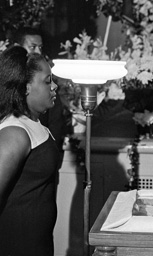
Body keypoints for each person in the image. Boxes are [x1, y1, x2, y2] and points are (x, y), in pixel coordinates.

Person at [0, 46, 60, 255]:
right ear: (25, 87)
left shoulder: (34, 123)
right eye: (47, 81)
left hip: (37, 243)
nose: (54, 87)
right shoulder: (15, 132)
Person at [12, 26, 67, 153]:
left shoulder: (46, 78)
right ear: (17, 47)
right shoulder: (8, 80)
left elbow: (55, 123)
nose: (38, 51)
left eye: (40, 47)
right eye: (32, 46)